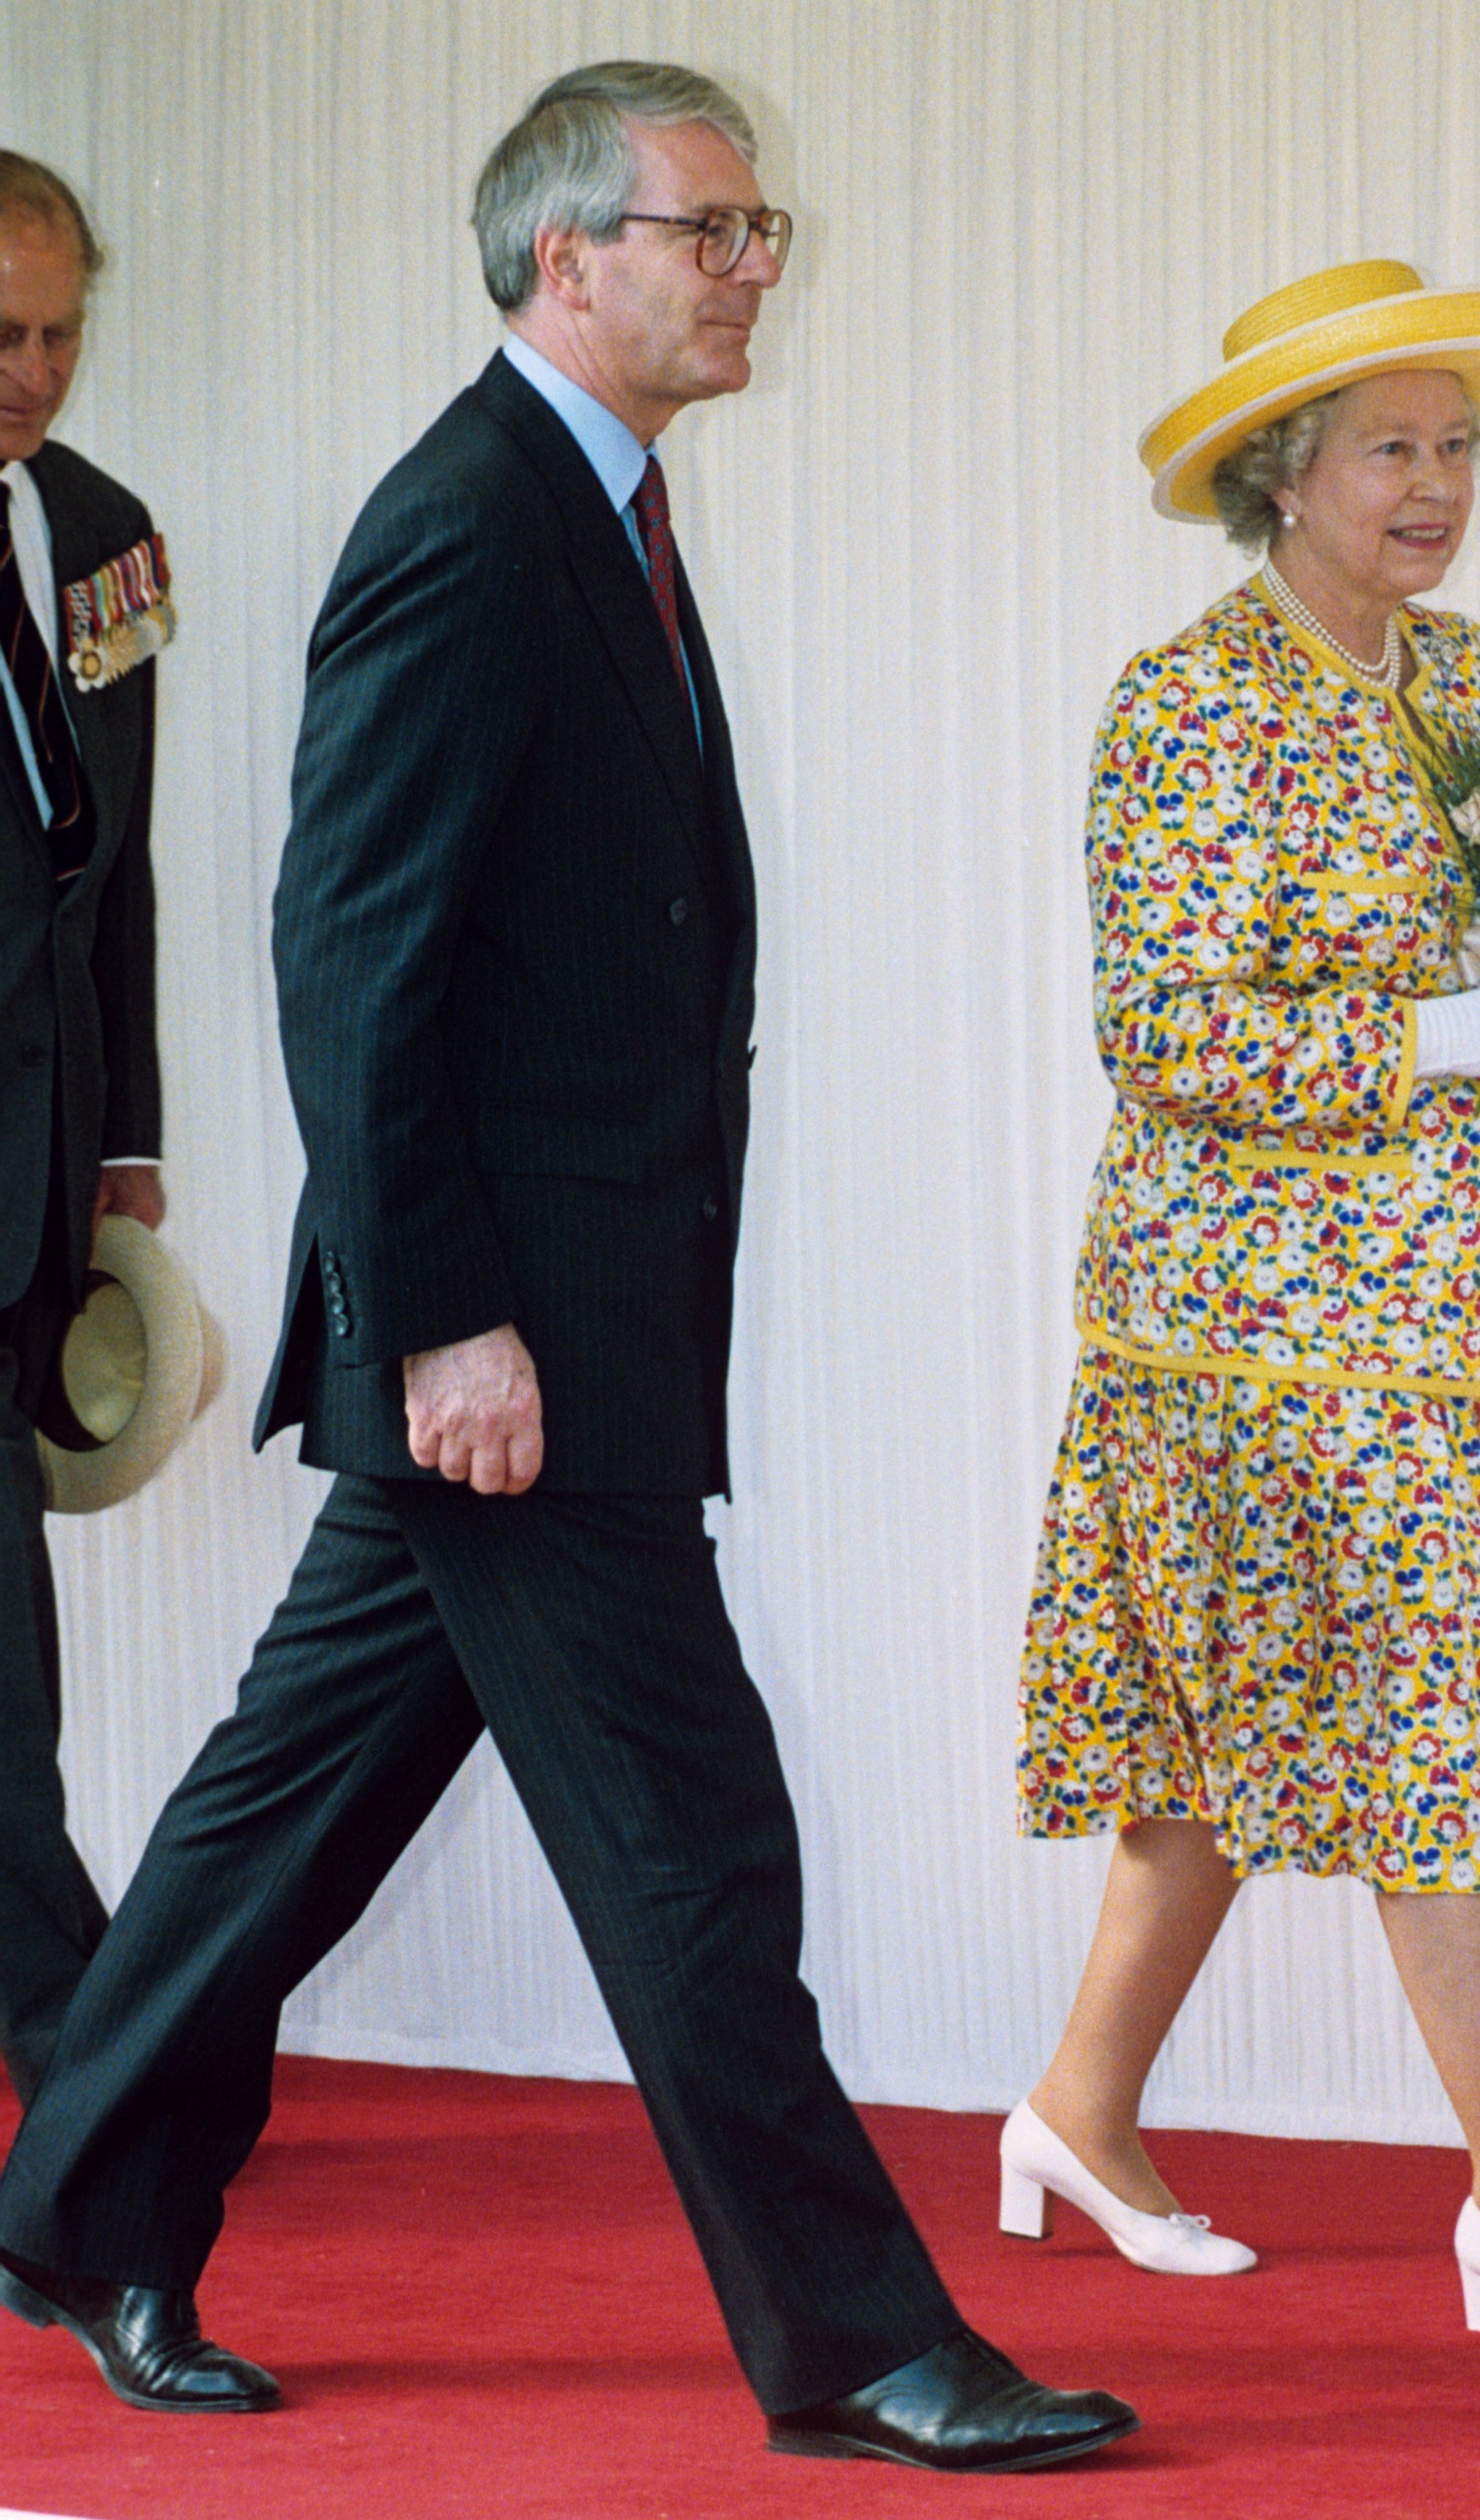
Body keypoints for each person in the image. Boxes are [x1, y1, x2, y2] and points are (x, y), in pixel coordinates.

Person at [0, 65, 1136, 2474]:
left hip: (560, 1318)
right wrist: (436, 1316)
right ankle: (850, 2339)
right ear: (566, 259)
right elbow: (350, 951)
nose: (750, 268)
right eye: (708, 230)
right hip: (511, 1339)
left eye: (761, 232)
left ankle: (77, 2206)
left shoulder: (588, 501)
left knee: (277, 1815)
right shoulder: (474, 520)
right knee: (693, 1842)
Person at [1003, 261, 1480, 2356]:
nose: (1437, 485)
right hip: (1234, 1330)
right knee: (1424, 1725)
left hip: (1412, 1308)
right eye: (1390, 448)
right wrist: (1440, 1029)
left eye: (1457, 444)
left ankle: (1073, 2114)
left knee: (1212, 1754)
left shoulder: (1465, 678)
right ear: (1280, 475)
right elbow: (1164, 1031)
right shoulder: (1189, 702)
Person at [0, 154, 169, 2111]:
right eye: (4, 336)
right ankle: (88, 2032)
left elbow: (113, 870)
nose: (34, 373)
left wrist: (130, 1138)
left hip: (38, 1170)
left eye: (59, 334)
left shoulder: (109, 540)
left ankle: (86, 2026)